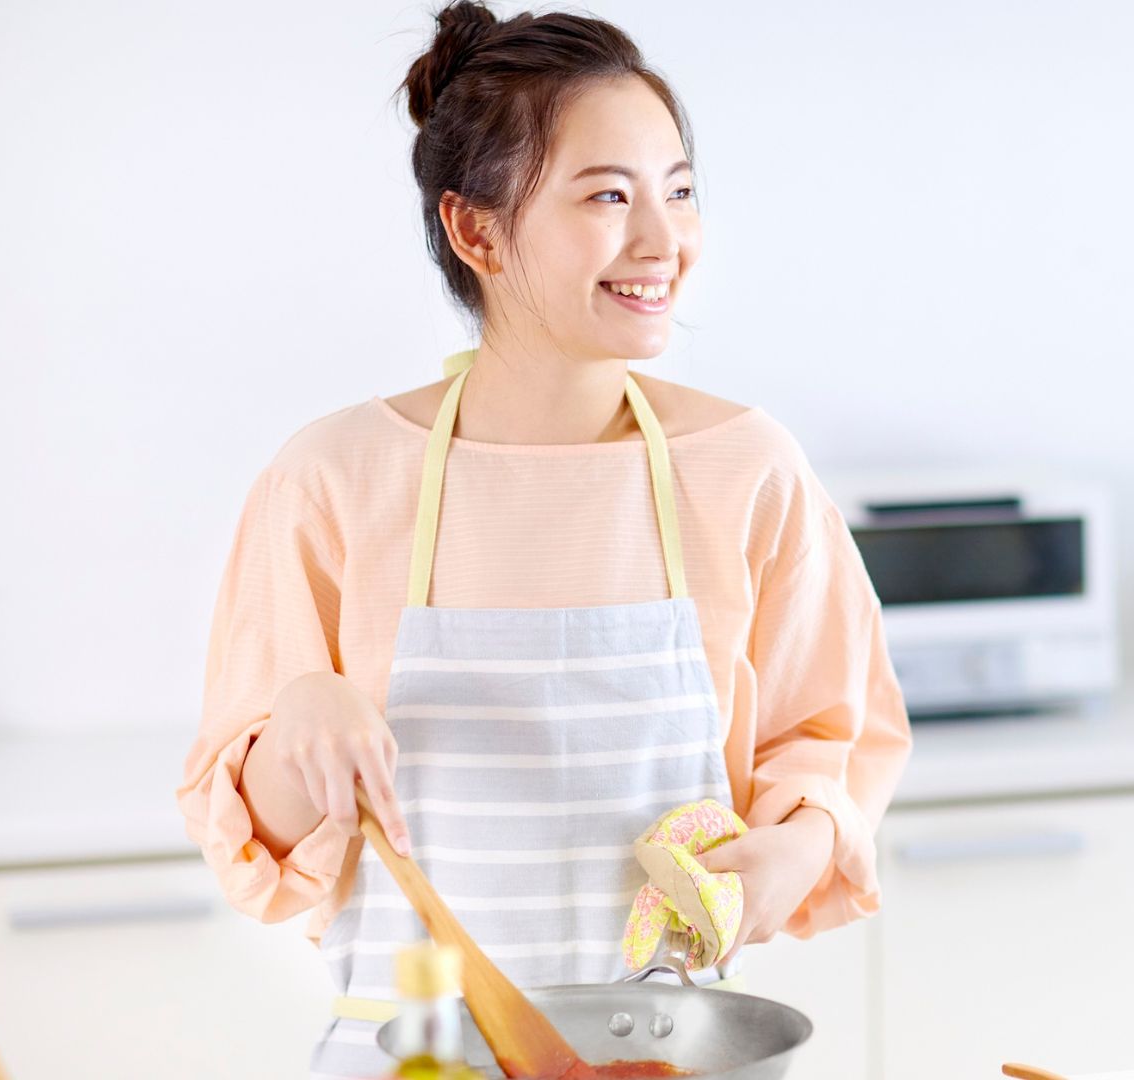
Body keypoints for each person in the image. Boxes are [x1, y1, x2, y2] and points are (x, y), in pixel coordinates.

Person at [172, 3, 913, 1076]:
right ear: (477, 232)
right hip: (412, 1054)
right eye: (610, 196)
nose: (665, 242)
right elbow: (268, 846)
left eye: (680, 190)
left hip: (660, 1051)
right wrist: (298, 721)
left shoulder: (746, 469)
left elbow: (828, 744)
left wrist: (787, 857)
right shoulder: (331, 479)